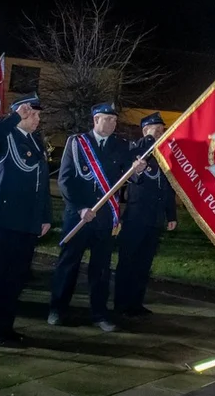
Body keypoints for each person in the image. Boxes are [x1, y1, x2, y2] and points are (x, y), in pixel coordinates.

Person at [49, 104, 146, 332]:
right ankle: (57, 309)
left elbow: (129, 175)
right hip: (79, 216)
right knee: (68, 265)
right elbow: (65, 180)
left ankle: (99, 314)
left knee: (101, 269)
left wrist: (138, 170)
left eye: (115, 120)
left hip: (104, 218)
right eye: (108, 120)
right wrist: (81, 208)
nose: (113, 124)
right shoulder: (77, 143)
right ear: (96, 120)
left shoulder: (120, 146)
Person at [0, 94, 52, 346]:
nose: (38, 119)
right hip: (2, 219)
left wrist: (45, 216)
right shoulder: (5, 137)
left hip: (27, 221)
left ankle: (6, 326)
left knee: (16, 278)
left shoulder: (36, 142)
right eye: (35, 114)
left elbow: (42, 184)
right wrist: (14, 117)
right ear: (23, 113)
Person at [114, 112, 177, 318]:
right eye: (155, 130)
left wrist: (171, 215)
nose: (159, 134)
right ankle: (121, 304)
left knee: (144, 264)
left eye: (161, 130)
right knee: (128, 262)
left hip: (155, 219)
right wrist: (148, 140)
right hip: (136, 218)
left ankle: (136, 303)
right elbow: (132, 174)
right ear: (144, 130)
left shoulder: (164, 156)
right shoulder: (137, 149)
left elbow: (168, 189)